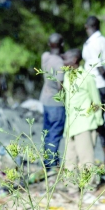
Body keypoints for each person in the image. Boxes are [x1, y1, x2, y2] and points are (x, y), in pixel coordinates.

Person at [61, 49, 103, 174]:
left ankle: (89, 188)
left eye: (65, 59)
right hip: (70, 124)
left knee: (86, 160)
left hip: (84, 124)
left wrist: (98, 123)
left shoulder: (87, 77)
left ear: (74, 60)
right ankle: (72, 189)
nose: (63, 62)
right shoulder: (67, 76)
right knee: (69, 160)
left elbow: (96, 102)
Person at [82, 16, 105, 166]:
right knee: (100, 121)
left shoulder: (92, 44)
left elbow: (99, 66)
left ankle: (97, 159)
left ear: (86, 26)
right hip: (103, 85)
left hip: (95, 86)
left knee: (95, 122)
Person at [40, 34, 65, 170]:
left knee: (47, 132)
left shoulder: (45, 57)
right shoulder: (60, 64)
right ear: (62, 44)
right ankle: (51, 164)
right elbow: (60, 85)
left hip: (45, 100)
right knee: (55, 134)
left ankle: (47, 161)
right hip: (56, 102)